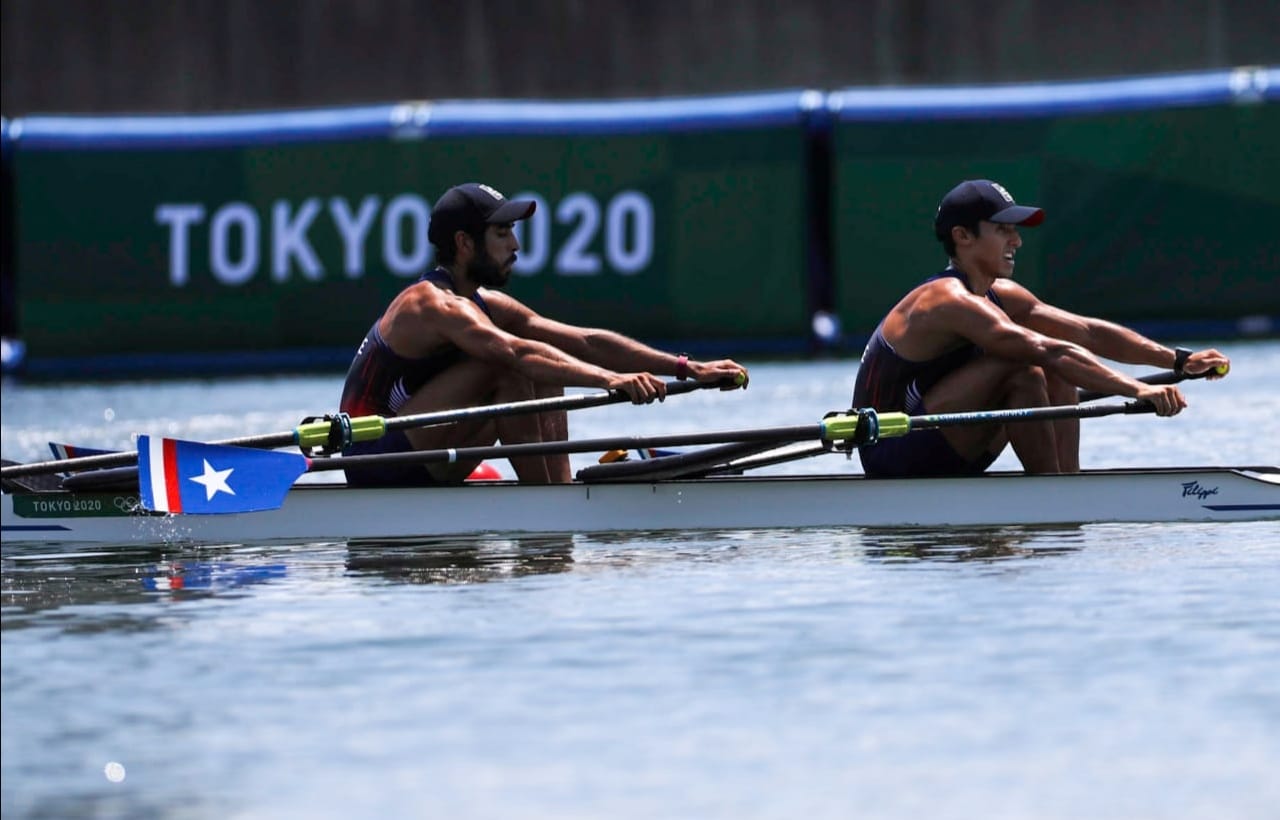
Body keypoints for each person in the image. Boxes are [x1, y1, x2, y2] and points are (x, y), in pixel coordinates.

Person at [340, 182, 749, 486]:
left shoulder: (483, 304)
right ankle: (550, 506)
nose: (515, 245)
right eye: (501, 234)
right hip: (373, 462)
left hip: (422, 450)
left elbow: (585, 341)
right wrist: (610, 380)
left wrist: (687, 368)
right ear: (464, 243)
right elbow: (514, 353)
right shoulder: (431, 305)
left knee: (547, 358)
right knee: (509, 367)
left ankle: (559, 489)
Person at [851, 179, 1230, 478]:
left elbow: (1087, 332)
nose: (1016, 240)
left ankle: (1066, 481)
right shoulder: (945, 300)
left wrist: (1180, 359)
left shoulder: (1002, 295)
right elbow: (1049, 350)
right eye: (1002, 230)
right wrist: (1138, 388)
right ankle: (1053, 492)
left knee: (1049, 363)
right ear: (962, 236)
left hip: (946, 440)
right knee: (1024, 365)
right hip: (893, 449)